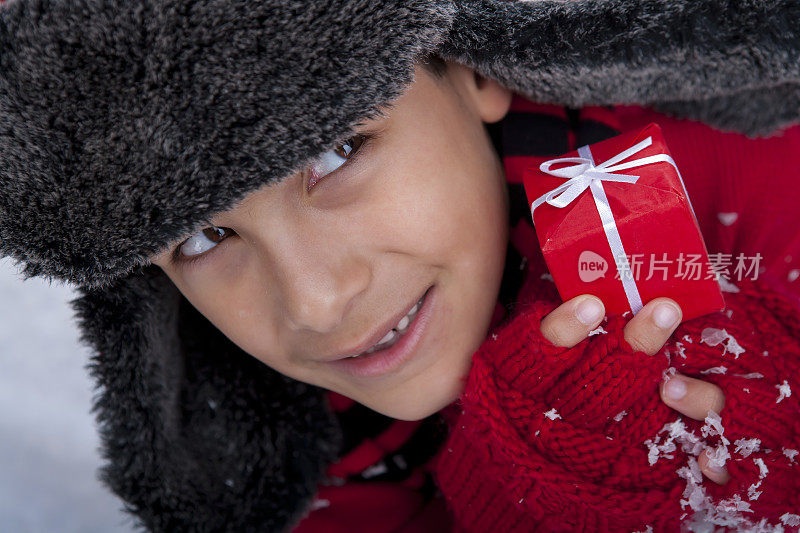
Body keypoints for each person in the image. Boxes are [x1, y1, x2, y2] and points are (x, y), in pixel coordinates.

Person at [2, 0, 799, 531]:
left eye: (337, 152)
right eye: (204, 240)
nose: (316, 301)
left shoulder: (759, 188)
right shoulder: (311, 457)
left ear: (472, 72)